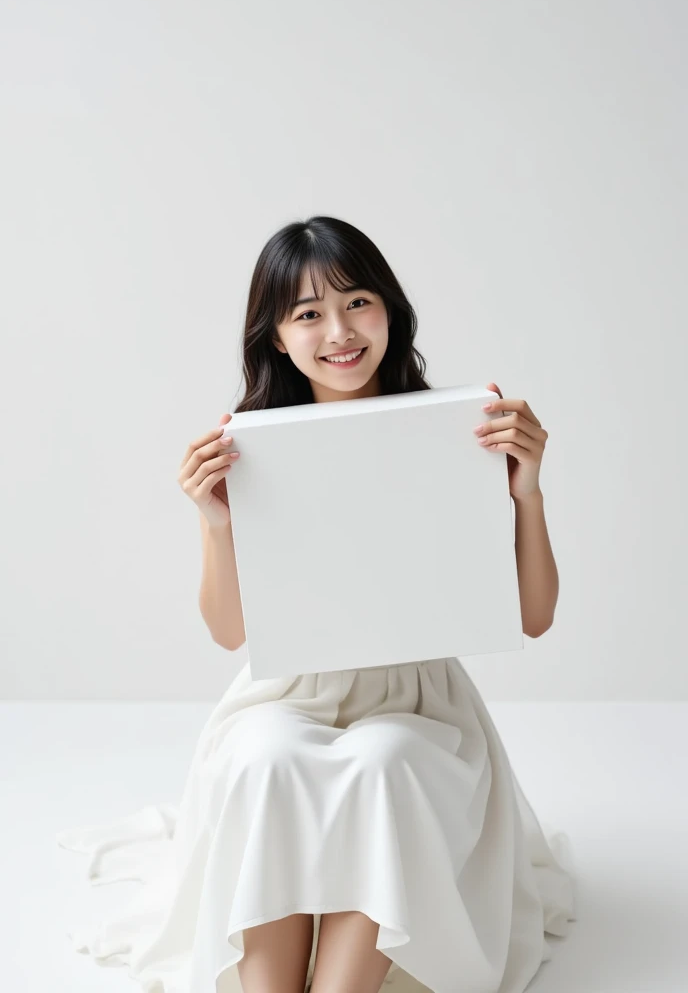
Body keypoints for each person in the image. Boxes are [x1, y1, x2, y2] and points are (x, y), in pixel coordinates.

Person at [57, 216, 576, 993]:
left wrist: (527, 493)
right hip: (287, 696)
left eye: (358, 301)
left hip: (417, 705)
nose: (338, 330)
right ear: (274, 335)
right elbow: (230, 631)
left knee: (386, 762)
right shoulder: (255, 444)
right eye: (307, 313)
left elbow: (533, 617)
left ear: (390, 311)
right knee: (266, 757)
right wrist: (216, 522)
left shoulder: (454, 430)